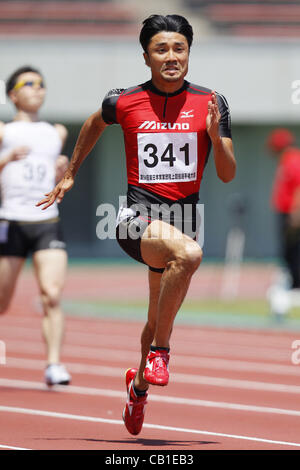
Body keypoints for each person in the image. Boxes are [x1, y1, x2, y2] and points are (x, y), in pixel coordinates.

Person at [37, 14, 236, 434]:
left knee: (154, 319)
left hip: (183, 220)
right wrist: (72, 171)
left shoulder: (213, 103)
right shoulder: (123, 101)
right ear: (146, 55)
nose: (171, 57)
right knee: (191, 255)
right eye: (161, 49)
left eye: (179, 48)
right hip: (134, 220)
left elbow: (227, 173)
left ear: (189, 53)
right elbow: (93, 124)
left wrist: (216, 139)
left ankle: (138, 388)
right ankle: (162, 353)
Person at [0, 65, 71, 386]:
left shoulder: (56, 132)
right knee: (2, 301)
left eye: (41, 84)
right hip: (10, 221)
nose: (38, 89)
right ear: (13, 94)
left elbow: (63, 180)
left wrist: (64, 170)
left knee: (52, 295)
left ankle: (53, 365)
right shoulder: (4, 131)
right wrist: (7, 158)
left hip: (47, 221)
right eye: (29, 84)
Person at [267, 128, 300, 316]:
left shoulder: (293, 160)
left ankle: (296, 288)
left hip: (291, 213)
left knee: (293, 251)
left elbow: (298, 186)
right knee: (288, 251)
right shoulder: (286, 160)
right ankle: (293, 287)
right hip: (285, 212)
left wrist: (296, 212)